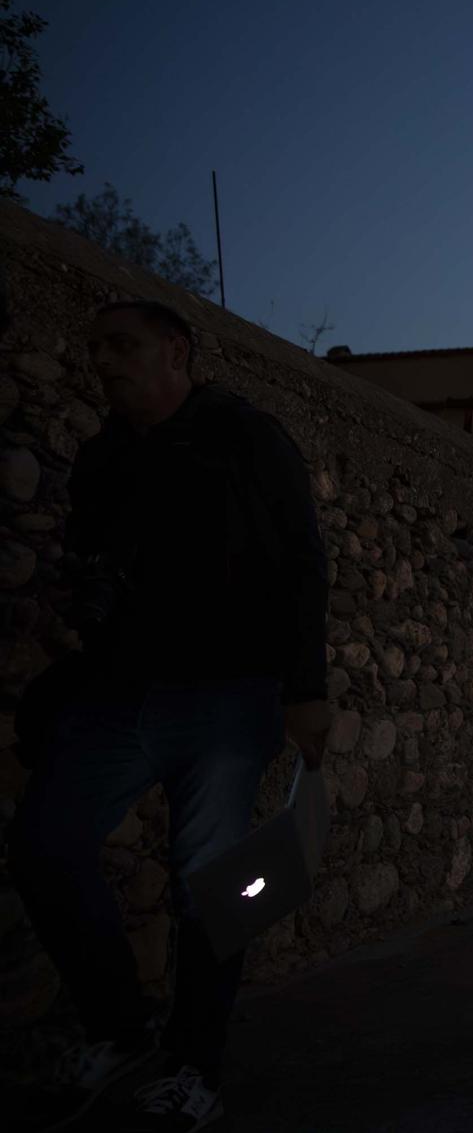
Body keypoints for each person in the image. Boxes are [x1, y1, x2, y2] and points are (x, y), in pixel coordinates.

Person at [11, 300, 329, 1132]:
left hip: (231, 694)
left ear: (176, 352)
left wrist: (305, 686)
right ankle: (121, 1024)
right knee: (43, 843)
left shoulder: (244, 436)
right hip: (121, 691)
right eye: (96, 346)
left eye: (124, 344)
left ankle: (194, 1067)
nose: (105, 360)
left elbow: (303, 560)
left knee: (211, 888)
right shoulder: (103, 457)